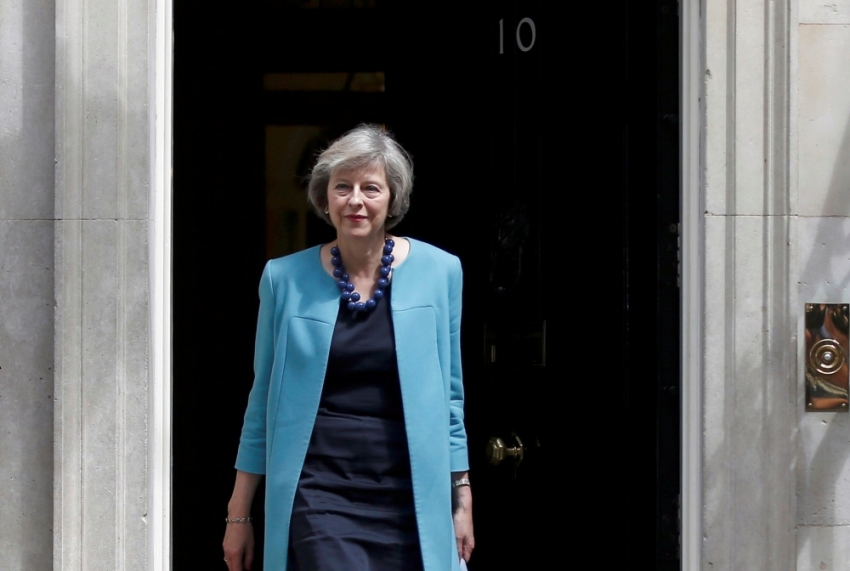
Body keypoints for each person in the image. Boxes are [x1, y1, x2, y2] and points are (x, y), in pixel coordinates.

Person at [222, 124, 474, 571]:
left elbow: (451, 397)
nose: (355, 200)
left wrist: (462, 498)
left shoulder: (441, 272)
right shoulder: (284, 279)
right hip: (320, 492)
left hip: (410, 491)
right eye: (343, 187)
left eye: (370, 187)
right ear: (325, 198)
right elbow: (262, 403)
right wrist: (238, 514)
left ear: (392, 198)